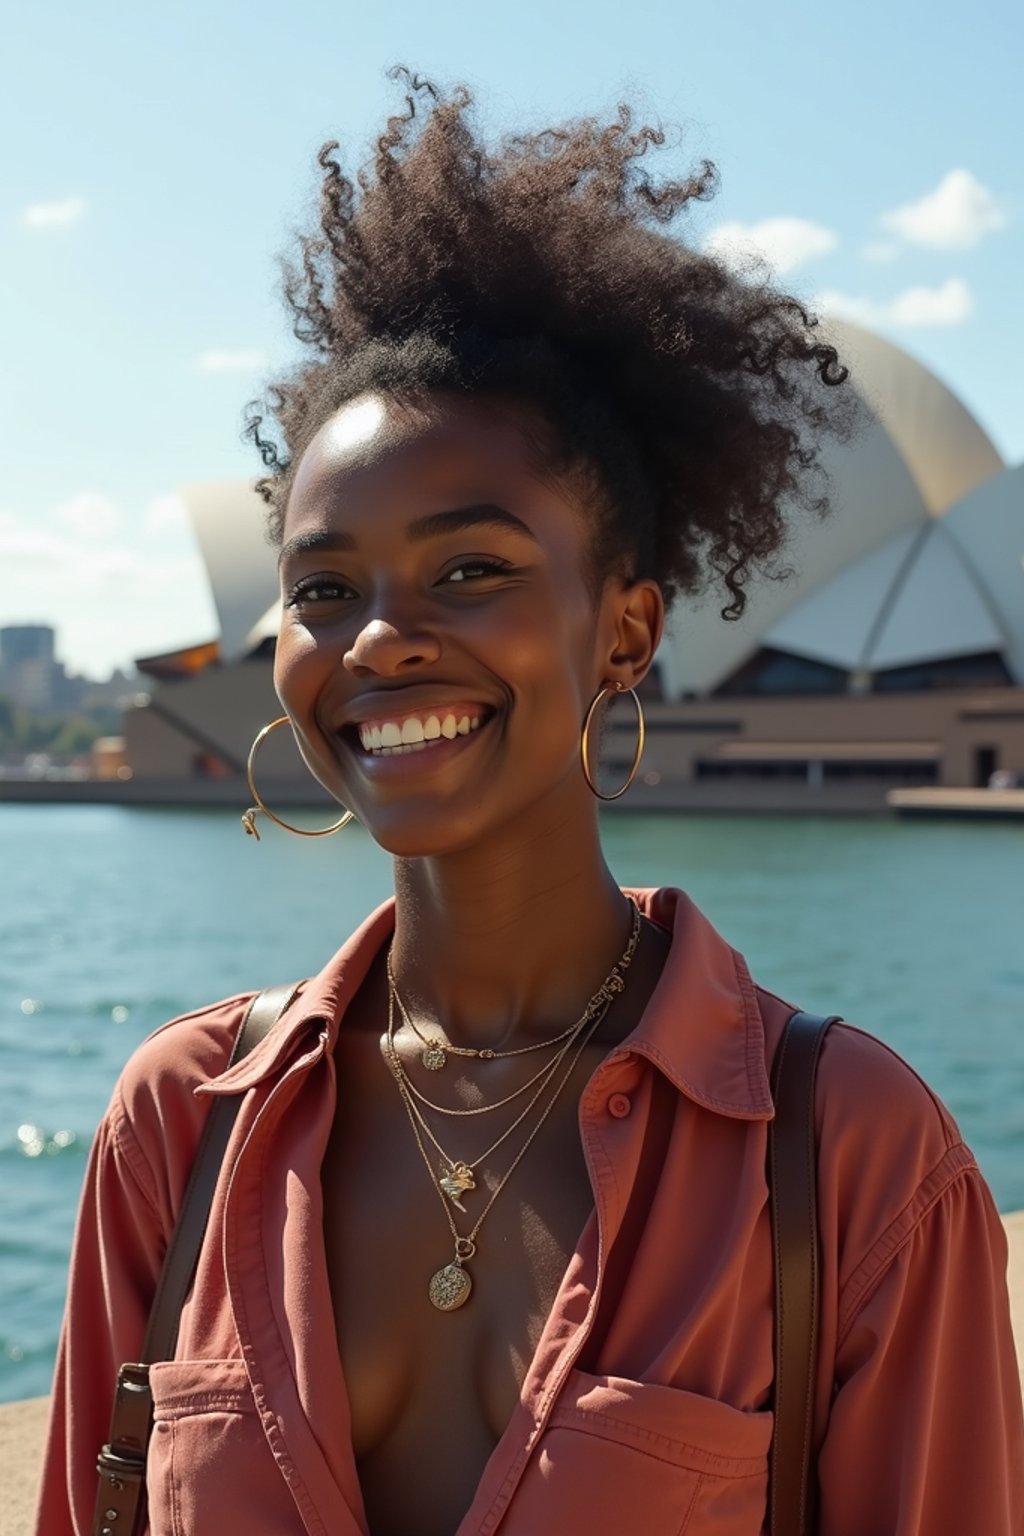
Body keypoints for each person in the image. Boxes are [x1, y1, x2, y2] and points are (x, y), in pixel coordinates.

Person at [36, 71, 1023, 1536]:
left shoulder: (849, 1155)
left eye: (471, 569)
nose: (376, 639)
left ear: (625, 633)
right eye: (321, 588)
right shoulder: (177, 1128)